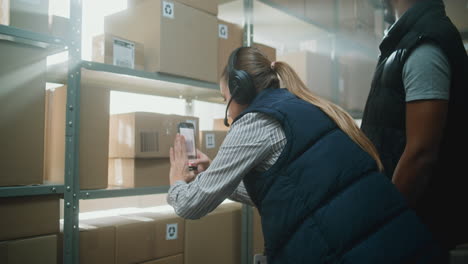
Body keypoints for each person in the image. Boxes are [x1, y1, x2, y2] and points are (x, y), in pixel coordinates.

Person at [167, 47, 440, 263]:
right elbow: (293, 194)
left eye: (224, 97)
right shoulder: (304, 106)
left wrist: (177, 180)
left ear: (240, 90)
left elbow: (191, 206)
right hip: (400, 246)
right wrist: (216, 173)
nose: (227, 111)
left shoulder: (255, 121)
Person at [361, 0, 468, 259]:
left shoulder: (425, 43)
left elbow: (421, 154)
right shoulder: (404, 42)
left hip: (416, 231)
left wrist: (383, 225)